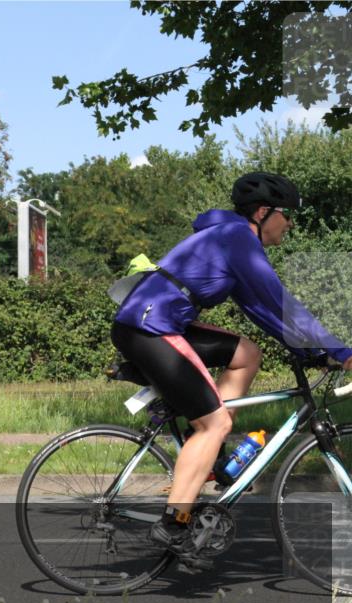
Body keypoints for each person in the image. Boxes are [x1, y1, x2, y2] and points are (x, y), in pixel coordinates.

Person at [110, 172, 352, 567]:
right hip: (149, 327)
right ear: (262, 212)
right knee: (216, 423)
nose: (289, 224)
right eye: (286, 215)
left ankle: (203, 454)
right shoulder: (238, 238)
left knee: (247, 353)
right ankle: (174, 524)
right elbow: (279, 301)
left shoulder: (232, 237)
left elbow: (260, 310)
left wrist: (309, 350)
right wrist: (338, 350)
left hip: (156, 320)